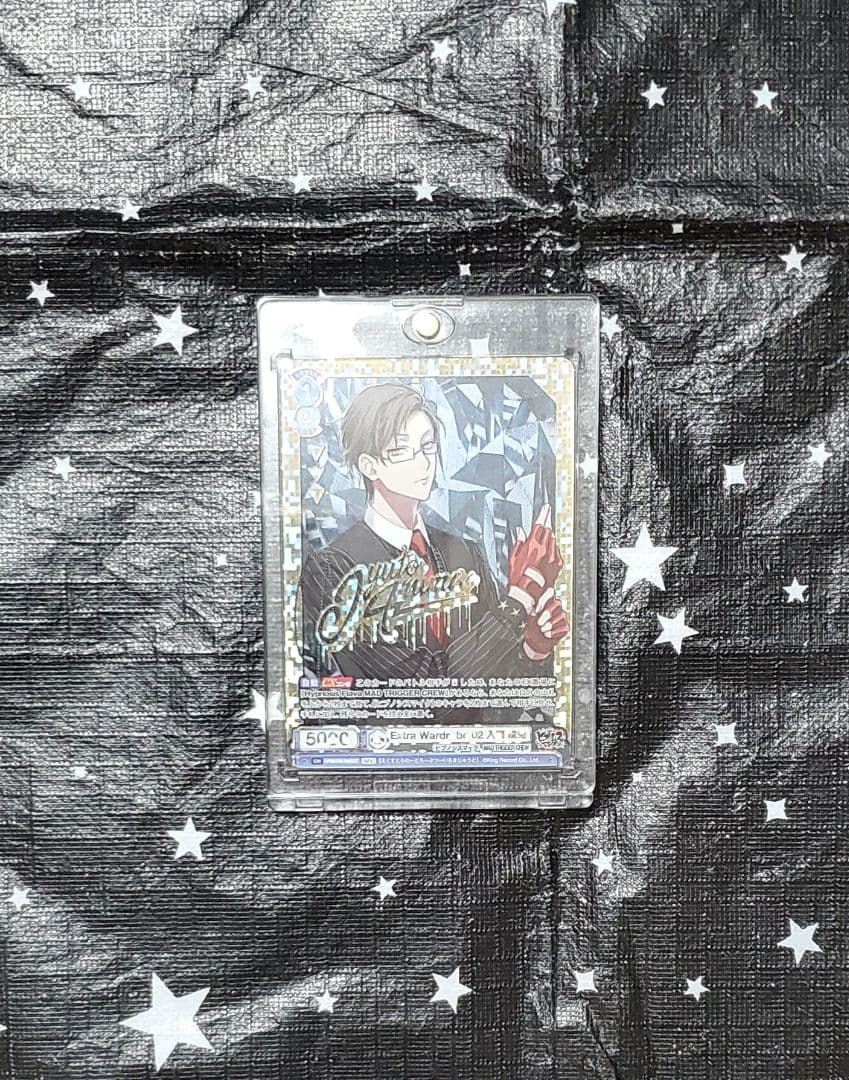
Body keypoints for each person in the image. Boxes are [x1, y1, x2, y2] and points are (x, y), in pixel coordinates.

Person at [298, 382, 569, 698]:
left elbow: (494, 688)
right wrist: (520, 597)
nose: (423, 462)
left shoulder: (464, 552)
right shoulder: (332, 568)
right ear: (369, 465)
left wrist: (533, 648)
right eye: (401, 450)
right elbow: (419, 685)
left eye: (427, 446)